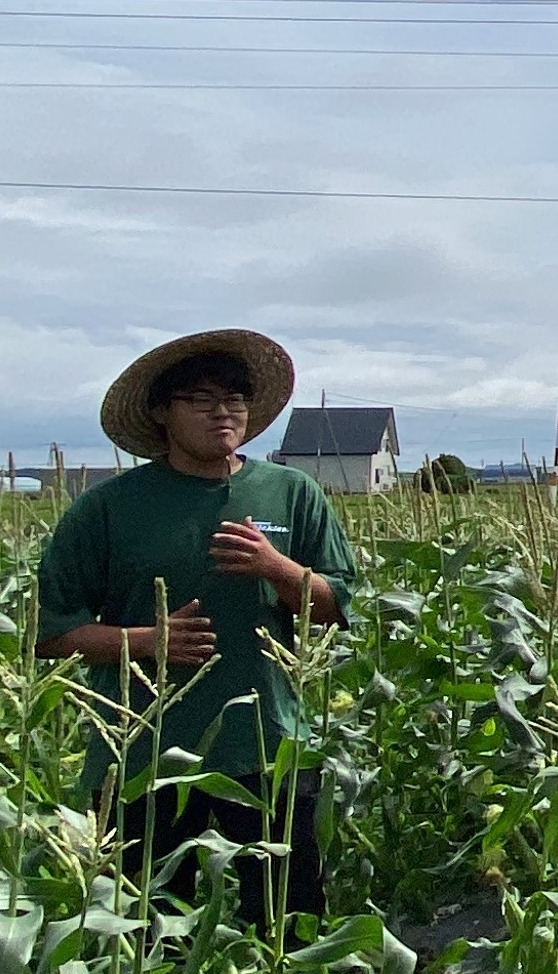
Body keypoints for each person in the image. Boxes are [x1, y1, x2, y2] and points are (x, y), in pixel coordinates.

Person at [37, 328, 361, 928]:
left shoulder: (292, 493)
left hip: (268, 746)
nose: (224, 412)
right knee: (143, 939)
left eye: (235, 399)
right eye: (201, 398)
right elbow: (52, 634)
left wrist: (277, 568)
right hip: (141, 755)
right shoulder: (108, 509)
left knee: (289, 925)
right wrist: (146, 642)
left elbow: (336, 606)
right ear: (162, 412)